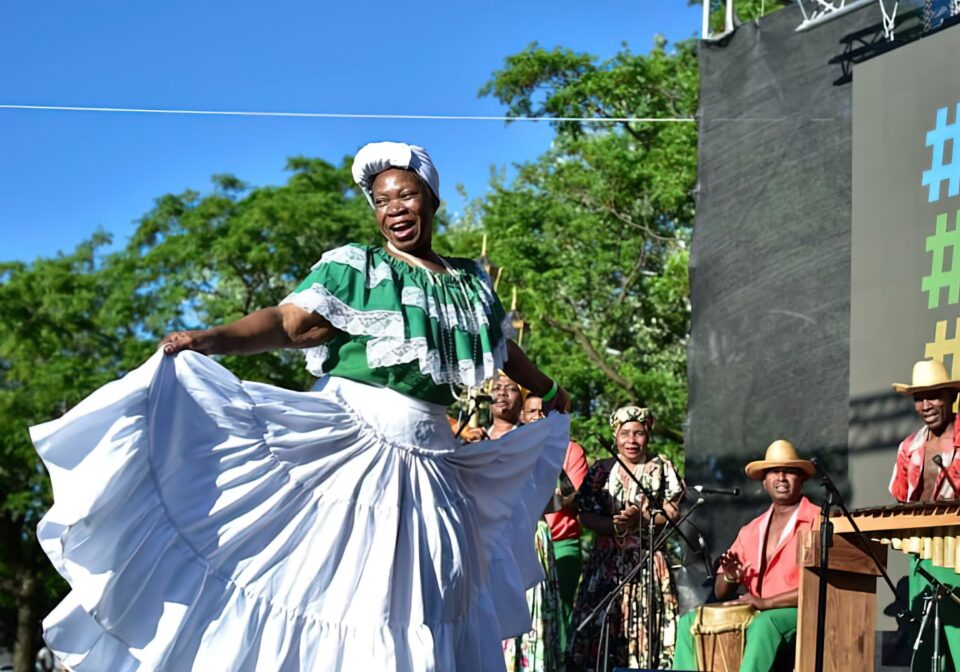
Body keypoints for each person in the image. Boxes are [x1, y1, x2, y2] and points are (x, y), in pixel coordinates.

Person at [30, 141, 571, 671]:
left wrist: (547, 390)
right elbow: (290, 323)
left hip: (434, 465)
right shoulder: (356, 269)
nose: (393, 210)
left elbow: (501, 348)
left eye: (404, 196)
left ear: (430, 199)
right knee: (353, 596)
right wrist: (210, 338)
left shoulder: (469, 284)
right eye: (381, 201)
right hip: (357, 449)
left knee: (432, 598)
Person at [673, 439, 820, 672]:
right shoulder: (751, 530)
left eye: (789, 472)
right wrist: (730, 578)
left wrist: (765, 603)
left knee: (764, 624)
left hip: (799, 613)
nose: (781, 478)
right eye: (774, 471)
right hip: (756, 611)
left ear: (801, 478)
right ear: (764, 480)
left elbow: (820, 585)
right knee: (688, 624)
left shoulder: (818, 521)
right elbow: (721, 591)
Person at [889, 359, 960, 672]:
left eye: (933, 396)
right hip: (922, 553)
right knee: (925, 644)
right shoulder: (910, 446)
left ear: (951, 397)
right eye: (919, 398)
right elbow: (901, 497)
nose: (925, 405)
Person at [568, 406, 683, 670]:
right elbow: (584, 515)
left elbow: (672, 511)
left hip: (646, 561)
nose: (632, 440)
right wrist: (617, 525)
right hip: (605, 566)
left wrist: (640, 521)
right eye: (625, 433)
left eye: (639, 433)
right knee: (601, 634)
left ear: (648, 435)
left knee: (642, 634)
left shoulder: (661, 467)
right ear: (615, 435)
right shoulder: (601, 469)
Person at [488, 373, 564, 672]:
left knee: (527, 613)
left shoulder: (532, 442)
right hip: (482, 537)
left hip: (526, 534)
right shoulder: (472, 438)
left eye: (510, 388)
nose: (503, 393)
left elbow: (562, 496)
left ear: (522, 403)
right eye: (496, 388)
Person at [522, 394, 590, 624]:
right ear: (522, 415)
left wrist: (534, 505)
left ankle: (562, 658)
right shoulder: (515, 448)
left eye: (543, 411)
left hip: (561, 542)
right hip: (520, 541)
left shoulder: (571, 451)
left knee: (560, 612)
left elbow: (575, 496)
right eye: (531, 411)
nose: (537, 416)